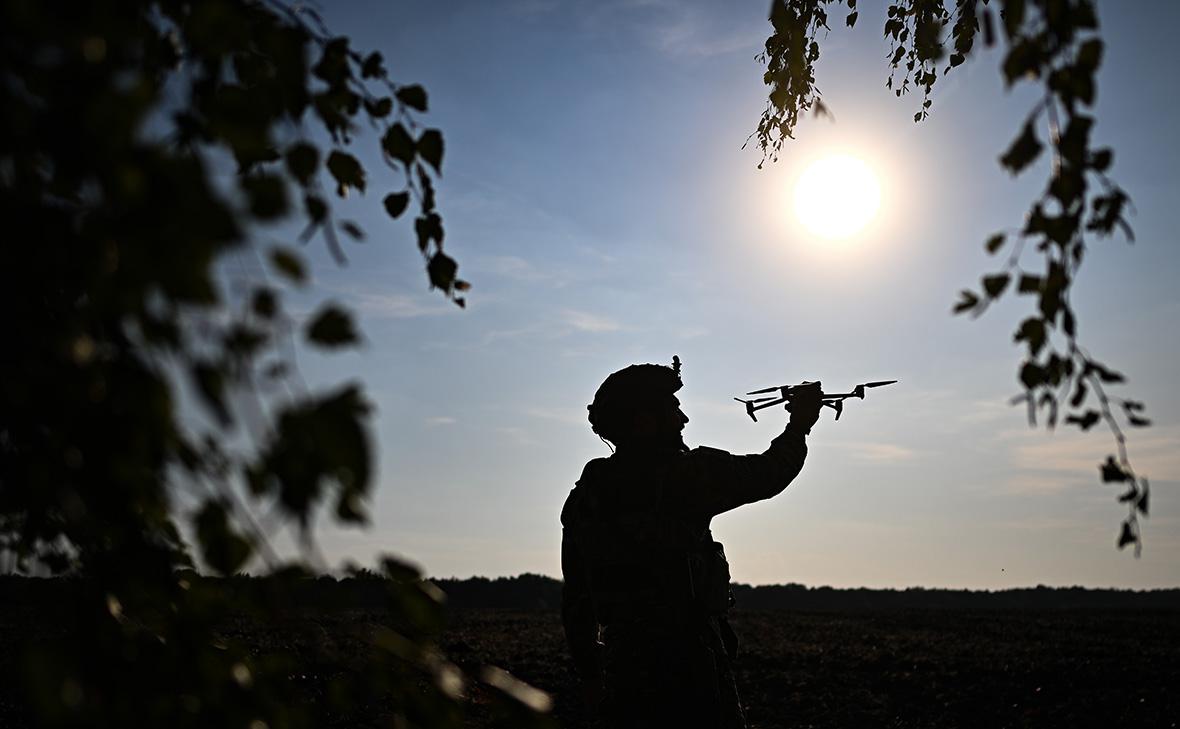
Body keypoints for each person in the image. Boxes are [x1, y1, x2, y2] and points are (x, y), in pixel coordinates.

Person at [560, 358, 823, 728]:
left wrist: (590, 675)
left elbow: (576, 598)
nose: (683, 420)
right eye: (673, 409)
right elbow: (769, 473)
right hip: (690, 667)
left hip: (624, 670)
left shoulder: (587, 495)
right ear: (644, 422)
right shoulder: (686, 475)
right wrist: (799, 425)